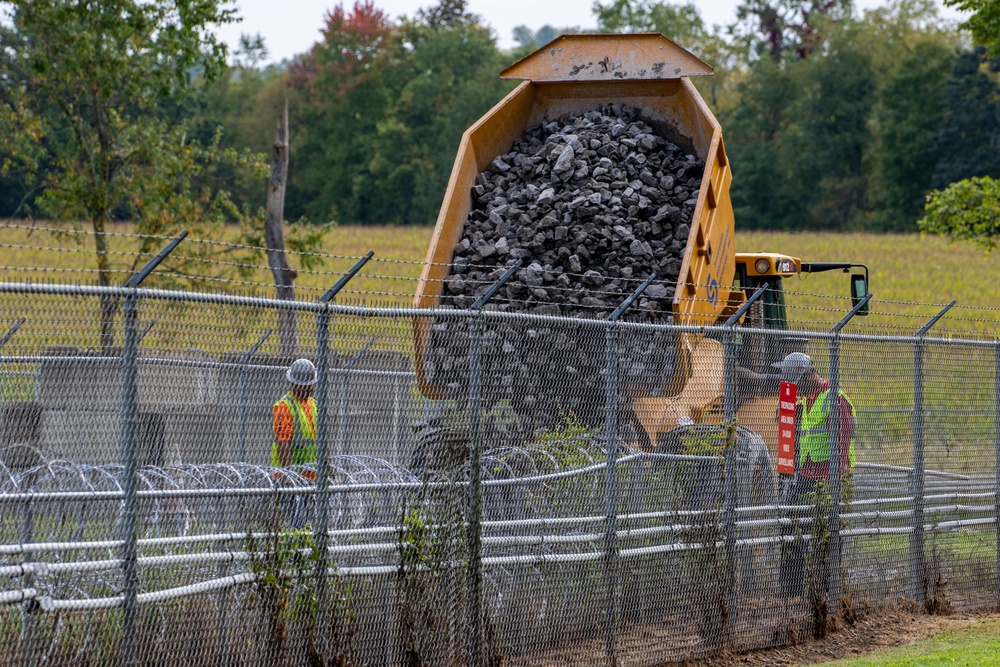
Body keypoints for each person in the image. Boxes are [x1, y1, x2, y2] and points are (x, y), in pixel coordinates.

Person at [777, 352, 857, 600]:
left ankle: (826, 592)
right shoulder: (809, 402)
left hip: (830, 476)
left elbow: (842, 443)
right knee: (791, 525)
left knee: (827, 533)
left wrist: (836, 479)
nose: (796, 390)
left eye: (798, 385)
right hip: (807, 474)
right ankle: (792, 592)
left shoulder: (835, 399)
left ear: (807, 375)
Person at [272, 358, 318, 469]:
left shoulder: (313, 404)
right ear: (294, 384)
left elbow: (322, 439)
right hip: (292, 477)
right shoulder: (285, 406)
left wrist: (327, 468)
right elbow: (283, 442)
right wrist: (288, 474)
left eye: (311, 384)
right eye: (305, 385)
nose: (310, 388)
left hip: (311, 473)